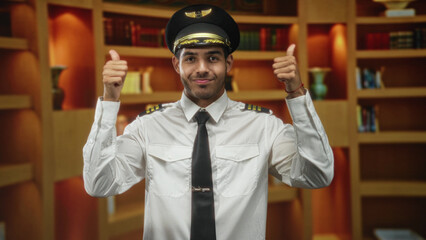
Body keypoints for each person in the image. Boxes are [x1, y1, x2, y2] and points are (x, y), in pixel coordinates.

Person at [83, 4, 334, 240]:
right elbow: (99, 183)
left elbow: (317, 174)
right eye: (190, 58)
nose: (202, 68)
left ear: (229, 63)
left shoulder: (263, 126)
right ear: (176, 64)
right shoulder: (147, 127)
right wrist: (109, 101)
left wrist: (296, 94)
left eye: (213, 58)